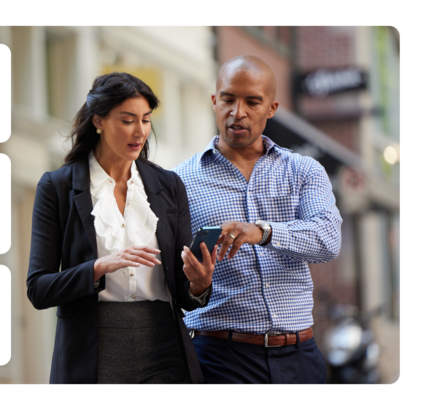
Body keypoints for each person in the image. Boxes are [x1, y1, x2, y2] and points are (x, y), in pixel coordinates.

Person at [26, 72, 217, 386]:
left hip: (164, 344)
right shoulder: (57, 187)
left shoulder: (168, 186)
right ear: (98, 121)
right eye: (127, 120)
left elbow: (184, 291)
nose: (139, 132)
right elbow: (39, 288)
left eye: (146, 119)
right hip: (94, 347)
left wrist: (199, 284)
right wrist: (99, 267)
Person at [172, 55, 342, 386]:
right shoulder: (180, 181)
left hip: (300, 356)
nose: (238, 112)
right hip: (220, 358)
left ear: (271, 108)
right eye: (228, 99)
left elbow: (328, 239)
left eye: (252, 101)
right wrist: (197, 282)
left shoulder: (303, 171)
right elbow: (173, 278)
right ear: (213, 101)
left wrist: (262, 232)